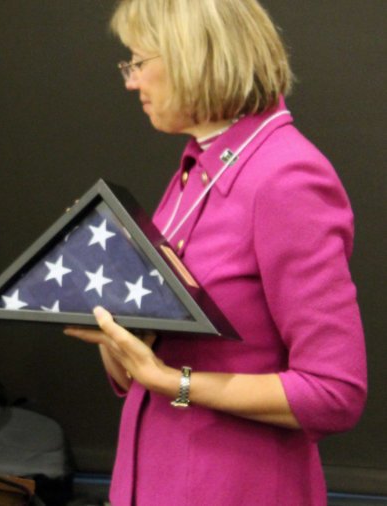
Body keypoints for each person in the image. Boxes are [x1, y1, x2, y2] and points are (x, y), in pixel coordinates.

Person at [64, 1, 367, 504]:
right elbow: (147, 363)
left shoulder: (285, 177)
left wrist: (172, 381)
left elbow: (334, 393)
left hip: (233, 488)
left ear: (191, 58)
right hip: (148, 481)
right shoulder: (199, 168)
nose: (130, 82)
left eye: (138, 62)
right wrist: (110, 322)